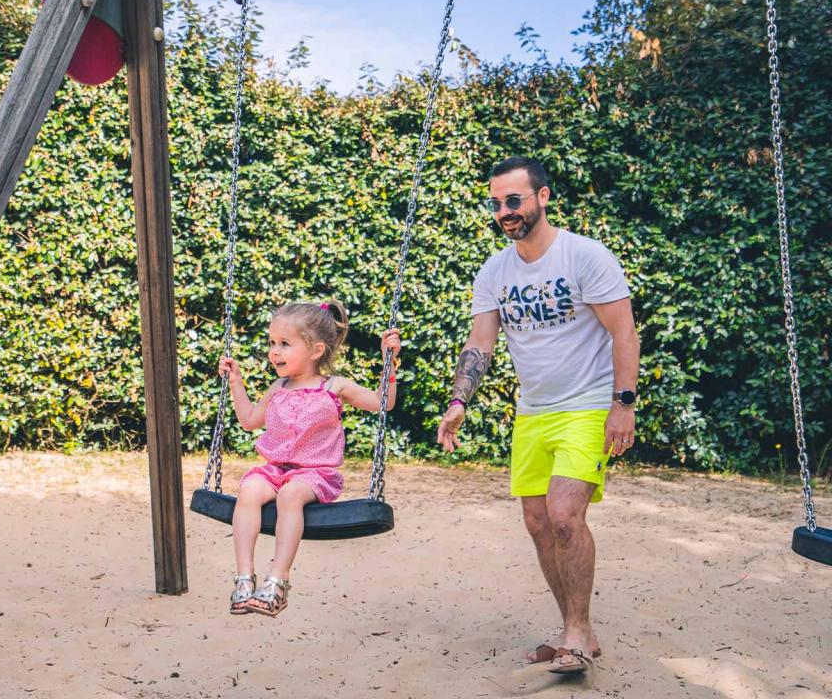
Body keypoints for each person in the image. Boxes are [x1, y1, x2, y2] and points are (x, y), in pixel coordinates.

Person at [437, 157, 640, 675]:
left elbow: (623, 332)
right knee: (537, 524)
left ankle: (575, 631)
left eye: (514, 200)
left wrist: (623, 405)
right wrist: (459, 401)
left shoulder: (584, 256)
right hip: (533, 412)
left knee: (565, 516)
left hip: (588, 405)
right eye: (496, 202)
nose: (504, 211)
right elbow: (480, 342)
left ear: (542, 197)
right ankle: (578, 631)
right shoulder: (495, 270)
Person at [220, 300, 402, 617]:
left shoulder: (334, 386)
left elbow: (381, 403)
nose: (274, 351)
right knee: (248, 491)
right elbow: (250, 420)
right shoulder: (278, 387)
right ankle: (245, 580)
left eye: (285, 344)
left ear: (316, 350)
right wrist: (236, 383)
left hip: (314, 475)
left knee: (290, 495)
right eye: (272, 343)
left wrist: (390, 364)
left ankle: (277, 581)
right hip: (275, 470)